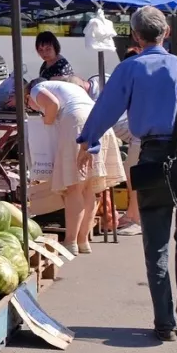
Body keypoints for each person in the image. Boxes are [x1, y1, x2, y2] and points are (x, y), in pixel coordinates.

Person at [77, 7, 177, 342]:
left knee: (156, 245)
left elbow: (105, 109)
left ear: (136, 36)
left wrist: (86, 142)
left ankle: (165, 322)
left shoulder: (129, 68)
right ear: (165, 33)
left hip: (151, 162)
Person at [30, 79, 124, 253]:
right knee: (88, 189)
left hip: (78, 123)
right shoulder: (68, 87)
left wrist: (47, 121)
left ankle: (71, 241)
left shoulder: (37, 89)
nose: (32, 106)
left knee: (75, 188)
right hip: (99, 122)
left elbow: (52, 104)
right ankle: (82, 241)